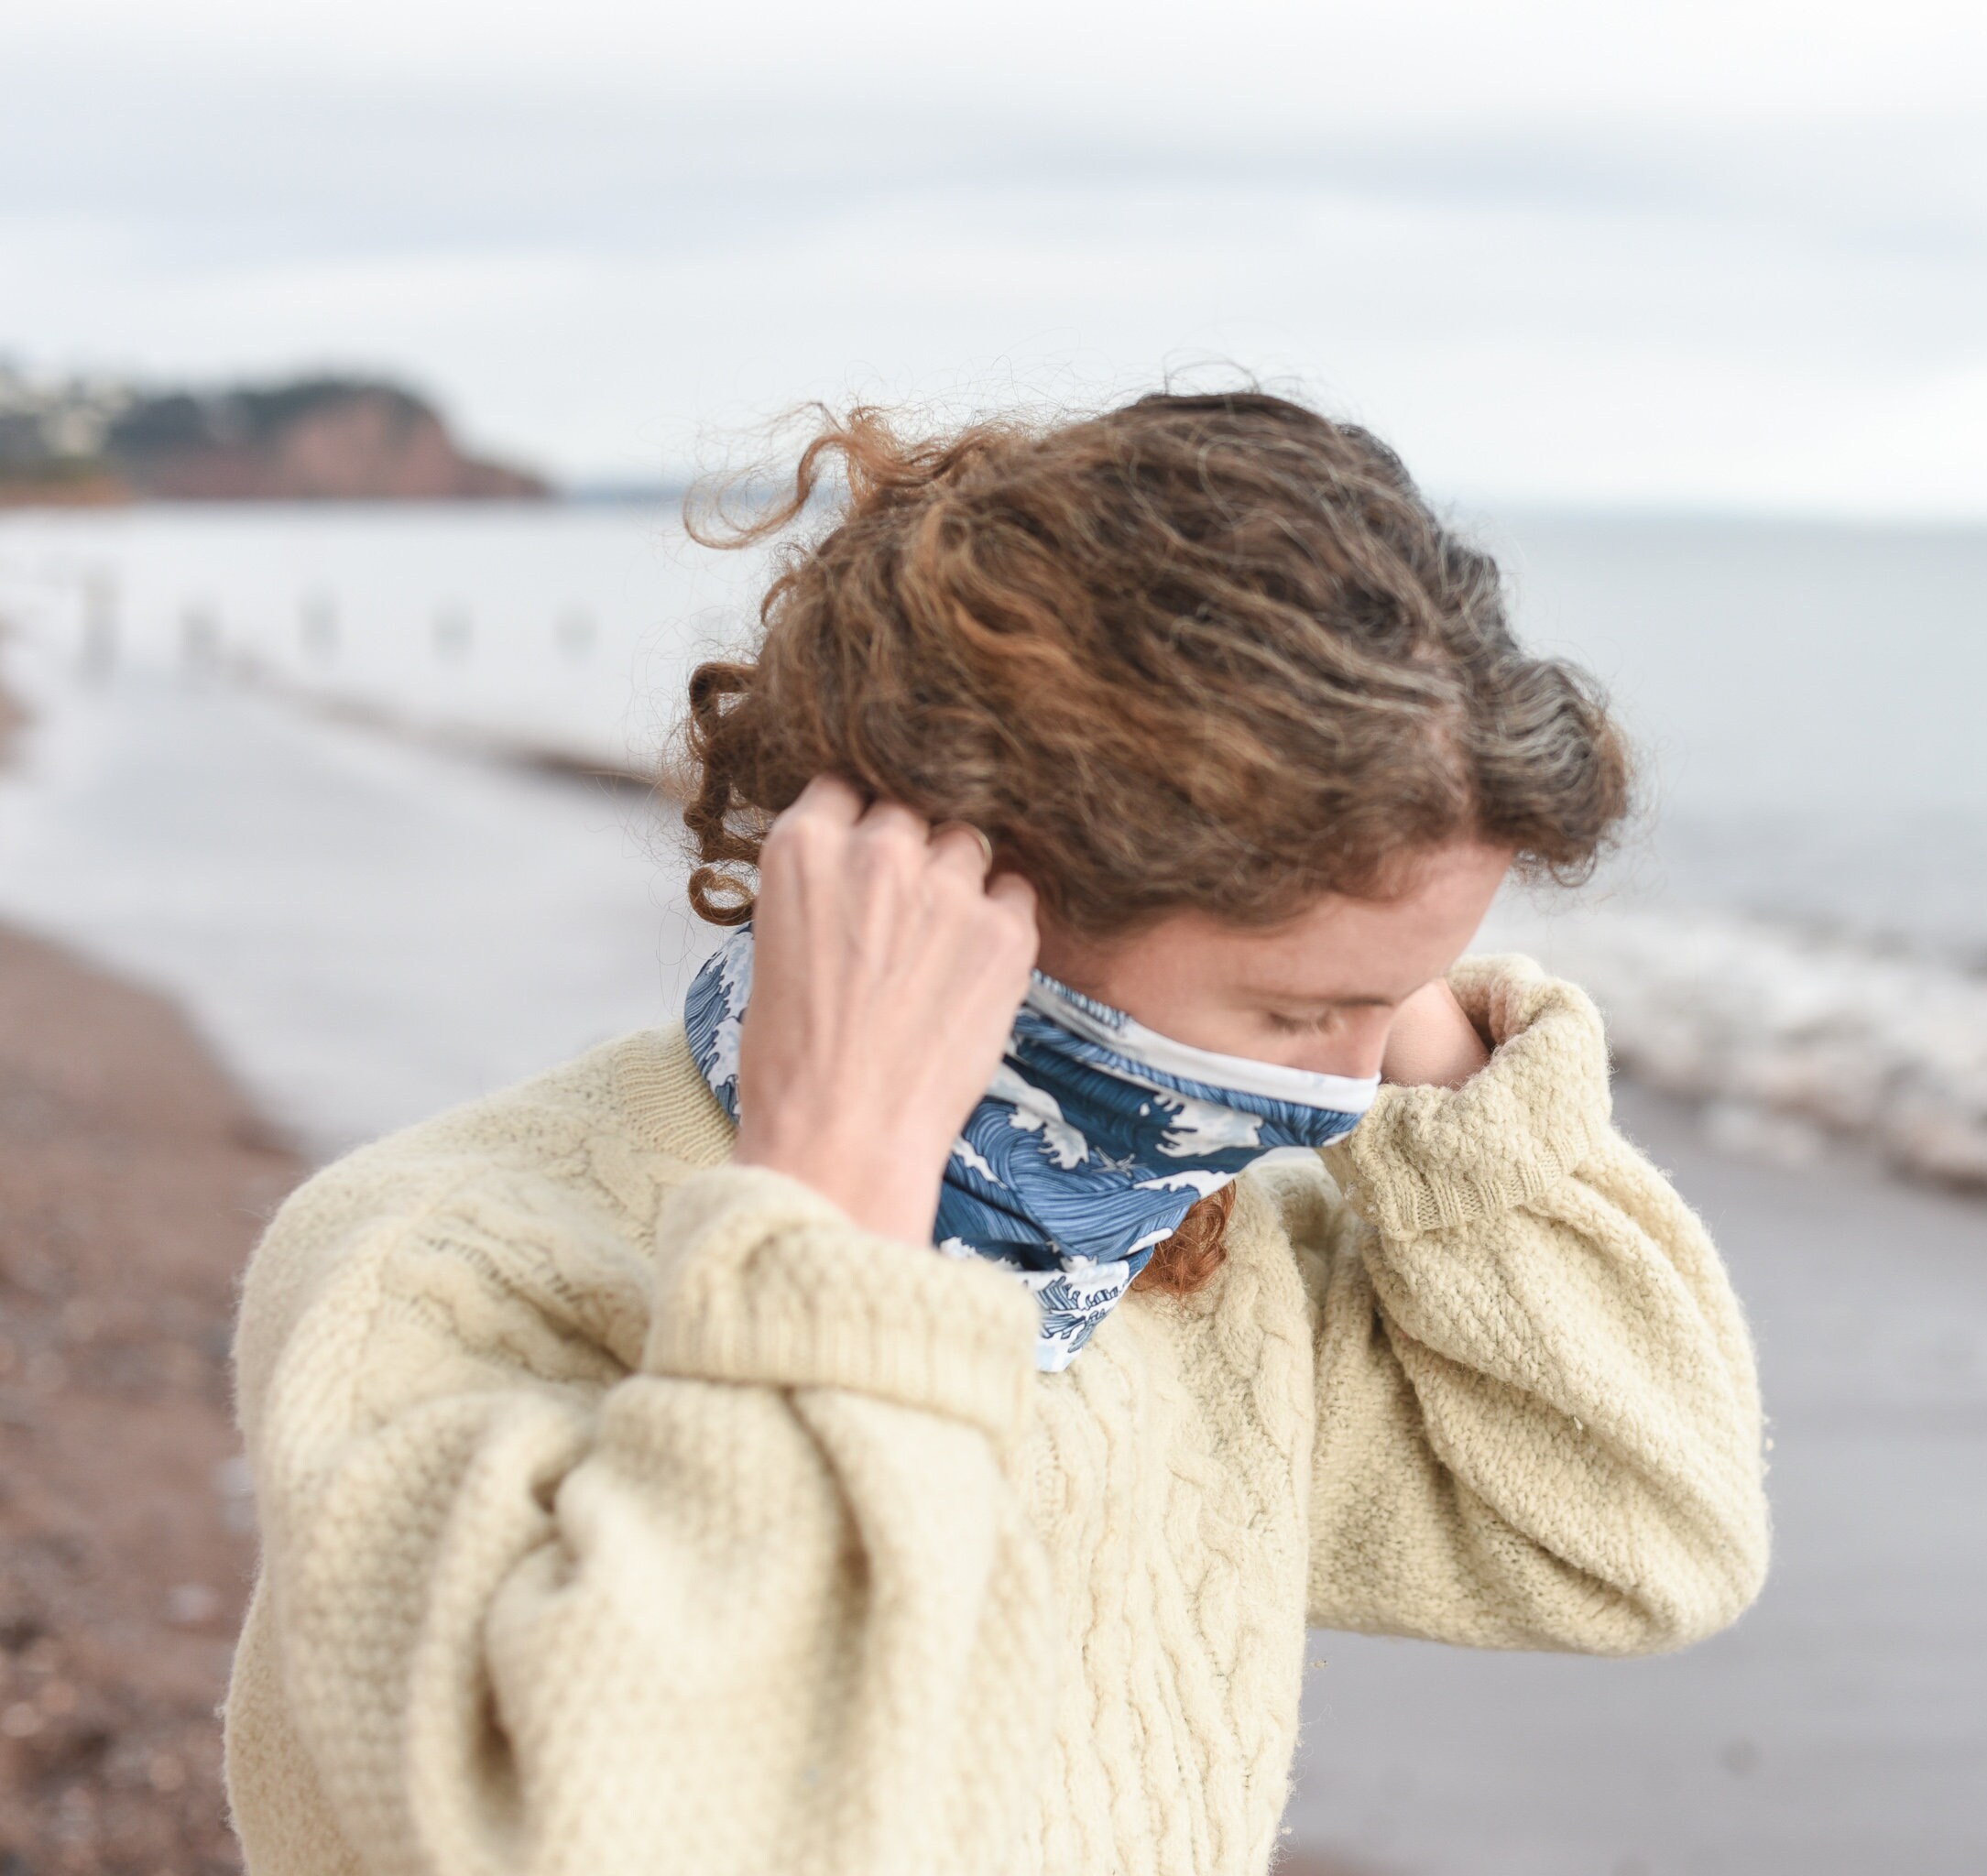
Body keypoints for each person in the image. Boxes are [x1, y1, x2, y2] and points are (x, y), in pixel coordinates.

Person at [221, 390, 1770, 1876]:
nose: (1359, 1089)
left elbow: (1648, 1534)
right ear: (969, 891)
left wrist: (1432, 1057)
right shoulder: (441, 1261)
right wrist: (834, 1211)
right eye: (1302, 1016)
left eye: (1409, 996)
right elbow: (622, 1830)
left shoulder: (1191, 1276)